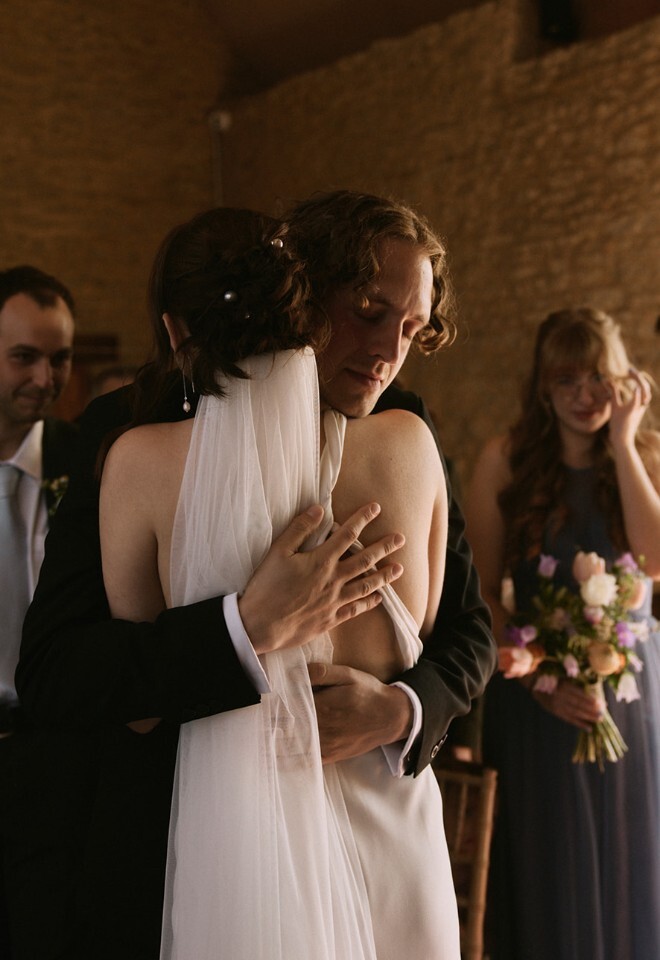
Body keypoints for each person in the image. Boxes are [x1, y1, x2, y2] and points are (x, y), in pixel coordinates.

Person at [17, 190, 495, 959]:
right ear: (303, 293)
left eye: (412, 328)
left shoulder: (405, 427)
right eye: (368, 311)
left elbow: (470, 631)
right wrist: (240, 627)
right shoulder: (125, 435)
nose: (387, 351)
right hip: (188, 848)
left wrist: (403, 709)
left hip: (385, 845)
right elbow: (58, 672)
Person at [465, 308, 660, 960]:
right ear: (543, 388)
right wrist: (541, 682)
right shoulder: (505, 460)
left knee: (630, 869)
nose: (584, 396)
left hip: (629, 700)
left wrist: (626, 445)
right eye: (566, 380)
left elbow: (655, 559)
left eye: (597, 378)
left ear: (623, 381)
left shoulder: (647, 454)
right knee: (546, 882)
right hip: (535, 700)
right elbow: (482, 597)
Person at [0, 265, 78, 956]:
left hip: (52, 754)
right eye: (24, 356)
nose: (45, 379)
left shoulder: (85, 467)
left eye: (59, 359)